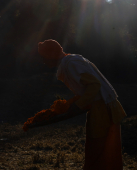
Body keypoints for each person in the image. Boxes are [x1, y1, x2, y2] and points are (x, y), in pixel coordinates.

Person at [38, 39, 126, 170]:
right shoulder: (69, 62)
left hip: (102, 108)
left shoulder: (71, 63)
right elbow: (85, 90)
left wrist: (77, 105)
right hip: (99, 108)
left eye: (44, 57)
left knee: (98, 149)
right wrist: (69, 104)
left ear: (51, 54)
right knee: (99, 149)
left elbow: (94, 85)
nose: (43, 61)